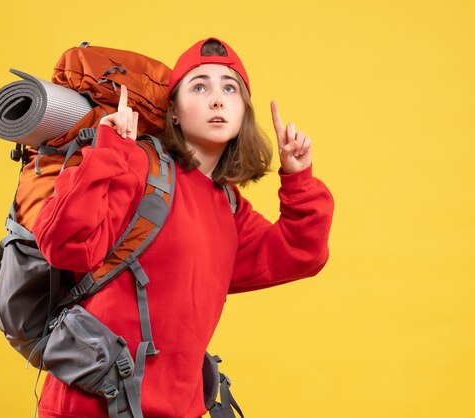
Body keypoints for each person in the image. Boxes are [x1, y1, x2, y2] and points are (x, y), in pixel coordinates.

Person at [33, 37, 334, 418]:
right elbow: (65, 244)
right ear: (174, 112)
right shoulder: (139, 164)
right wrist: (109, 152)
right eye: (199, 86)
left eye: (230, 88)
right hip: (92, 405)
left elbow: (298, 254)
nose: (217, 99)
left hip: (178, 409)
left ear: (244, 111)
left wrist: (299, 179)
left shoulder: (228, 205)